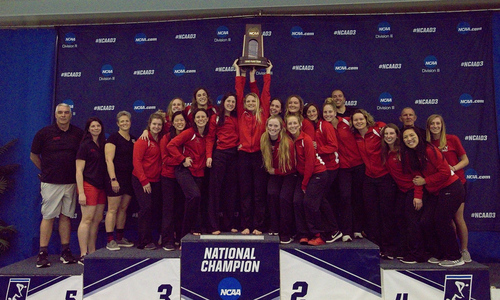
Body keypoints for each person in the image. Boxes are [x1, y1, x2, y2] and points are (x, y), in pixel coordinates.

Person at [400, 127, 465, 267]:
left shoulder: (429, 150)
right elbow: (417, 178)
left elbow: (445, 172)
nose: (409, 139)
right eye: (405, 137)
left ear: (418, 136)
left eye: (412, 135)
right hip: (436, 192)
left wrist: (426, 181)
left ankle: (455, 256)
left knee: (441, 221)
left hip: (452, 188)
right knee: (425, 221)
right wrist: (417, 196)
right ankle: (440, 254)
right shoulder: (410, 155)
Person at [30, 103, 83, 268]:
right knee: (48, 216)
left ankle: (65, 251)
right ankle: (42, 252)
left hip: (70, 183)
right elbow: (33, 156)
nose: (63, 115)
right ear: (55, 115)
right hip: (51, 182)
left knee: (66, 216)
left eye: (66, 112)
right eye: (60, 112)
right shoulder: (44, 133)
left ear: (70, 114)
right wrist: (46, 171)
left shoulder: (78, 133)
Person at [351, 109, 397, 258]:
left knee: (386, 214)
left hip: (385, 177)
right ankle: (375, 248)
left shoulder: (378, 130)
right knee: (371, 215)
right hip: (369, 179)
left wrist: (382, 127)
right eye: (356, 120)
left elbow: (389, 132)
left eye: (361, 119)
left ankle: (389, 248)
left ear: (366, 119)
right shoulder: (356, 136)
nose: (358, 122)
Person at [426, 114, 471, 263]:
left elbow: (465, 160)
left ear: (442, 125)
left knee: (458, 218)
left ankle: (463, 250)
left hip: (456, 183)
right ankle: (449, 250)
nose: (435, 126)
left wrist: (453, 168)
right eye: (432, 124)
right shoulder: (427, 143)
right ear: (428, 126)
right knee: (445, 220)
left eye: (438, 123)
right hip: (438, 186)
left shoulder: (452, 139)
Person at [234, 59, 272, 235]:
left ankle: (259, 225)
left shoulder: (263, 113)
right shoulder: (241, 112)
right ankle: (246, 225)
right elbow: (239, 92)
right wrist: (238, 72)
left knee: (258, 192)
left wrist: (267, 73)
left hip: (259, 155)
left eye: (252, 101)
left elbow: (265, 93)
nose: (250, 103)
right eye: (248, 101)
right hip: (243, 155)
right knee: (245, 192)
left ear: (257, 103)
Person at [381, 124, 426, 264]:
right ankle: (405, 250)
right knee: (400, 219)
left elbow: (417, 176)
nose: (389, 136)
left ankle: (417, 254)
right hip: (402, 191)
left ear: (397, 136)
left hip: (413, 190)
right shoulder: (386, 152)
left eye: (391, 133)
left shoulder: (404, 153)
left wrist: (418, 196)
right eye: (386, 134)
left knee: (412, 222)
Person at [323, 102, 365, 242]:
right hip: (342, 168)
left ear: (335, 112)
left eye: (330, 112)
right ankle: (346, 231)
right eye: (325, 112)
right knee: (345, 197)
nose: (328, 115)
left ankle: (358, 229)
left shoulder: (347, 122)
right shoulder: (324, 127)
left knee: (357, 197)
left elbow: (367, 125)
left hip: (358, 165)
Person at [286, 114, 329, 246]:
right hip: (303, 175)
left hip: (317, 174)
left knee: (309, 203)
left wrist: (304, 185)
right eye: (290, 124)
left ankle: (319, 235)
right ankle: (303, 234)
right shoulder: (288, 140)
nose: (292, 126)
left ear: (299, 125)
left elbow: (310, 164)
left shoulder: (306, 139)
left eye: (295, 123)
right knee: (296, 201)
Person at [167, 109, 209, 239]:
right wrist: (182, 159)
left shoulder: (209, 134)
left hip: (199, 172)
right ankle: (183, 235)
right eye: (198, 117)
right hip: (185, 170)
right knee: (194, 196)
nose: (201, 119)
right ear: (194, 120)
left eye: (203, 117)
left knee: (194, 201)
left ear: (207, 119)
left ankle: (193, 230)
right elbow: (171, 145)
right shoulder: (189, 132)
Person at [206, 93, 239, 234]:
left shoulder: (236, 119)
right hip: (219, 155)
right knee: (215, 191)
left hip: (234, 156)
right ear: (223, 102)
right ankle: (213, 226)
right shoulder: (215, 117)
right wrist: (209, 156)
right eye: (228, 101)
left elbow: (240, 135)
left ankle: (228, 224)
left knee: (230, 191)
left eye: (233, 102)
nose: (231, 104)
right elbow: (209, 137)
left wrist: (239, 144)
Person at [260, 115, 297, 243]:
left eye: (276, 126)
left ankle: (287, 232)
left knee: (284, 198)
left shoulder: (288, 143)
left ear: (281, 128)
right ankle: (274, 226)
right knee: (271, 194)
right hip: (275, 175)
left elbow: (290, 167)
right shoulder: (264, 139)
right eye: (270, 125)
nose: (273, 128)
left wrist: (274, 171)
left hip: (289, 174)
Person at [76, 117, 107, 264]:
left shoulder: (102, 144)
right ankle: (83, 254)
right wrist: (81, 192)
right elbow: (79, 170)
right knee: (87, 220)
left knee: (96, 220)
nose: (96, 128)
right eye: (93, 126)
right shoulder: (85, 145)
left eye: (98, 126)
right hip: (89, 185)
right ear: (88, 129)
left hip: (101, 186)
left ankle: (92, 252)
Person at [132, 112, 164, 250]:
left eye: (159, 124)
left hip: (156, 180)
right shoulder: (143, 140)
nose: (157, 126)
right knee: (146, 208)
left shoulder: (161, 139)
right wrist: (144, 181)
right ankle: (143, 242)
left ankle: (150, 239)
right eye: (154, 124)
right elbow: (136, 161)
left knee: (153, 210)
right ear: (149, 125)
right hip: (141, 180)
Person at [104, 111, 135, 251]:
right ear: (118, 123)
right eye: (122, 121)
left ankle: (119, 238)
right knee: (112, 209)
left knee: (123, 209)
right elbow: (108, 160)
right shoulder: (113, 139)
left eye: (126, 121)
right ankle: (110, 240)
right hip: (115, 179)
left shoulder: (133, 139)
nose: (124, 123)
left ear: (130, 122)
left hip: (129, 179)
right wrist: (113, 179)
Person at [160, 111, 189, 250]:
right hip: (169, 177)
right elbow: (165, 159)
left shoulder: (189, 135)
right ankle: (167, 240)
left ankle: (179, 238)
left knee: (180, 209)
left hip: (184, 177)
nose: (179, 123)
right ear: (172, 123)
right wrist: (181, 160)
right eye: (177, 120)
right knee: (168, 210)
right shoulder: (166, 138)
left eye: (182, 120)